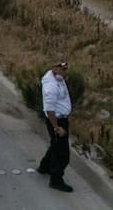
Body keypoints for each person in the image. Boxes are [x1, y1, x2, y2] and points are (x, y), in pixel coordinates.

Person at [39, 61, 75, 192]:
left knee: (55, 145)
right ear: (54, 68)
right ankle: (56, 180)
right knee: (62, 154)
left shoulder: (58, 77)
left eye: (66, 68)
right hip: (57, 121)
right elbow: (49, 110)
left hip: (61, 119)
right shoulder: (51, 86)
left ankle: (44, 167)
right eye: (63, 69)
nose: (66, 71)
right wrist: (57, 127)